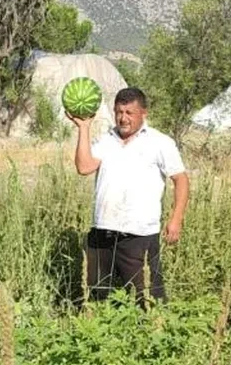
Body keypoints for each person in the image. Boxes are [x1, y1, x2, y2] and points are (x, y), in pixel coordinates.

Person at [67, 87, 189, 306]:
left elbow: (181, 180)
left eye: (129, 113)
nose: (123, 118)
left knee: (147, 297)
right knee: (98, 294)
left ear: (144, 113)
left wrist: (176, 219)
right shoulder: (106, 140)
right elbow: (84, 167)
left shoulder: (160, 142)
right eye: (119, 112)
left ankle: (154, 332)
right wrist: (84, 127)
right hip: (102, 230)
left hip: (139, 234)